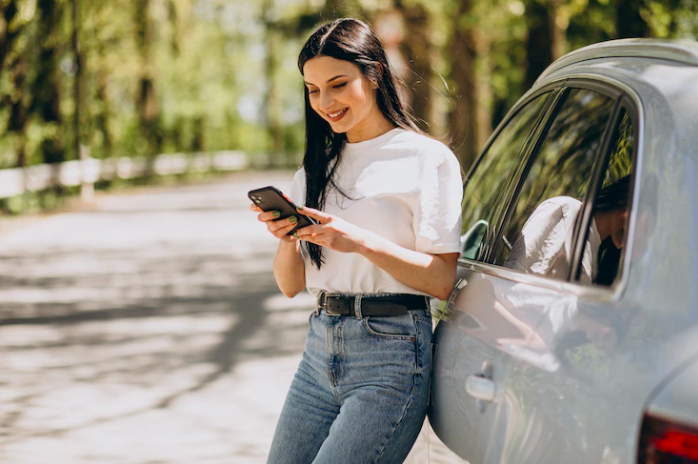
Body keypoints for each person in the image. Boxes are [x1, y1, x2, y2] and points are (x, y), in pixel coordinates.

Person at [251, 18, 463, 464]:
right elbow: (290, 285)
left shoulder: (427, 159)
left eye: (337, 84)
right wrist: (286, 237)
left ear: (374, 74)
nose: (324, 102)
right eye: (312, 90)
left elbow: (443, 279)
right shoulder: (315, 168)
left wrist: (359, 241)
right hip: (320, 350)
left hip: (391, 354)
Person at [504, 176, 631, 284]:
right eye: (646, 225)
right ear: (626, 200)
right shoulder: (566, 213)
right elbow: (511, 282)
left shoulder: (595, 253)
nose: (642, 237)